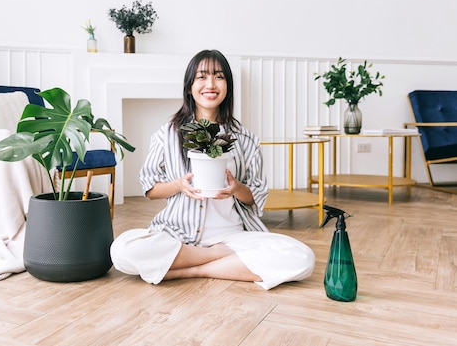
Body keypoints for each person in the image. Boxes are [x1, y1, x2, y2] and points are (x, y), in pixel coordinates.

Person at [110, 50, 315, 290]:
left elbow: (256, 196)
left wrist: (236, 188)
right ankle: (218, 261)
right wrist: (179, 185)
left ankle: (192, 270)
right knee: (122, 251)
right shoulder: (167, 135)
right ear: (189, 86)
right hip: (178, 233)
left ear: (227, 85)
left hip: (233, 237)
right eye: (202, 77)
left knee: (302, 258)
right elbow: (151, 188)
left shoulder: (246, 139)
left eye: (219, 77)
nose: (210, 84)